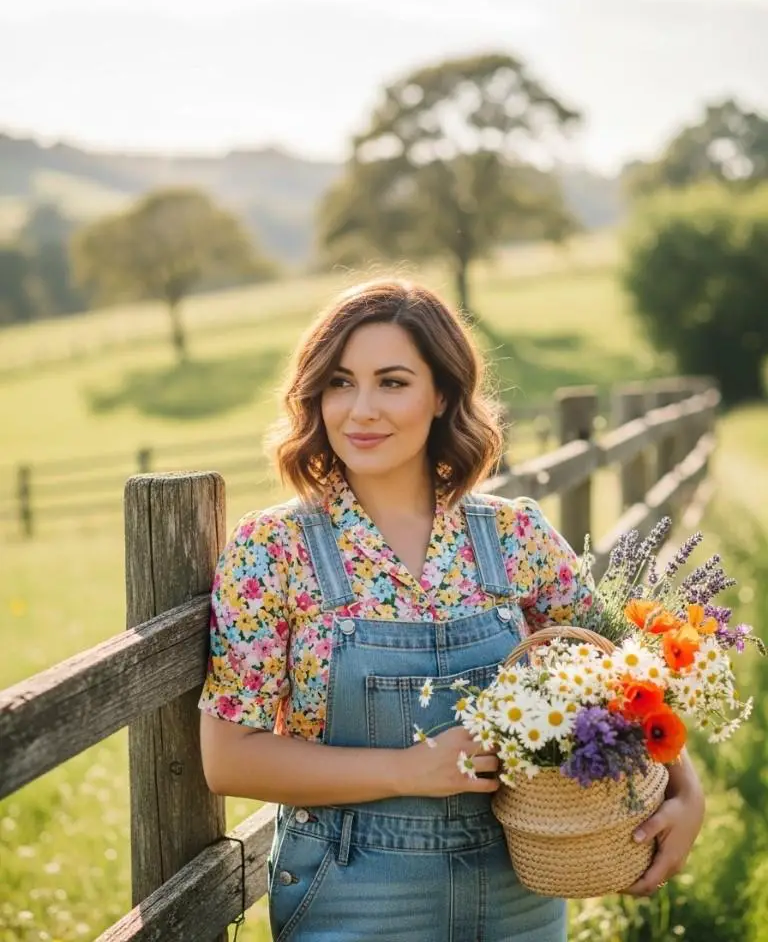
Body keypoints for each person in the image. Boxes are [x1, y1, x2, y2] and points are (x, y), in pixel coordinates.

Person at [198, 279, 705, 941]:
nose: (361, 410)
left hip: (519, 891)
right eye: (340, 382)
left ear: (442, 395)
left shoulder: (513, 535)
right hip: (353, 894)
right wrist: (408, 771)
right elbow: (230, 759)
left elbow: (627, 676)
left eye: (393, 382)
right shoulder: (273, 550)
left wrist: (685, 789)